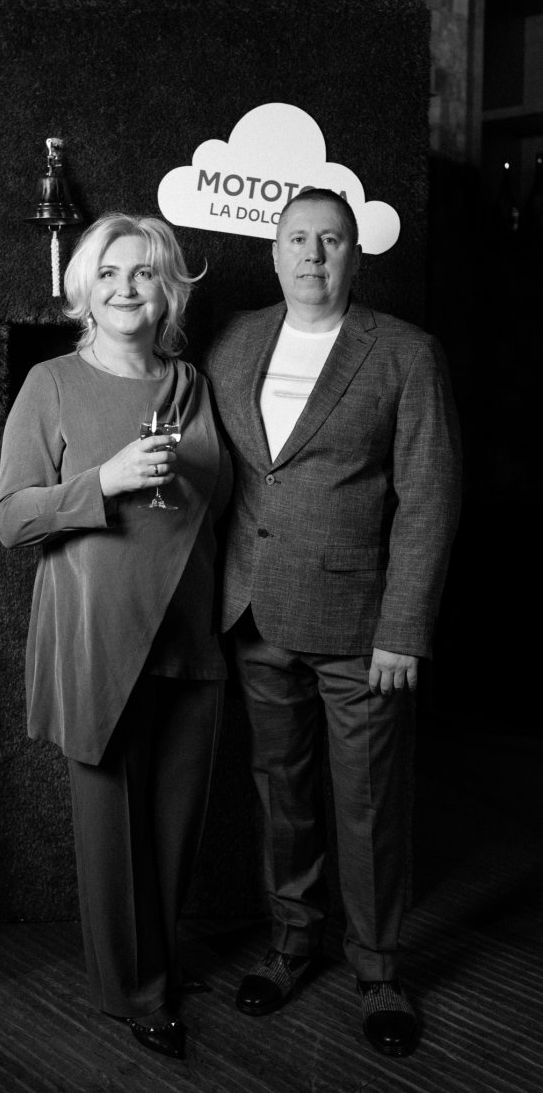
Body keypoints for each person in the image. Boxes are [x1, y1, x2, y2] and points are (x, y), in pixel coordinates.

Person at [204, 188, 462, 1057]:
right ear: (274, 252)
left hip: (361, 626)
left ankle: (378, 971)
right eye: (297, 239)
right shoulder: (234, 339)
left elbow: (429, 497)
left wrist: (403, 628)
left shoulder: (404, 353)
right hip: (255, 612)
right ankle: (290, 945)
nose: (312, 255)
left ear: (355, 254)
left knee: (368, 806)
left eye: (330, 240)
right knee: (280, 795)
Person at [0, 213, 232, 1061]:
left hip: (189, 632)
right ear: (84, 290)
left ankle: (157, 964)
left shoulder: (190, 384)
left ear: (168, 289)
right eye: (110, 273)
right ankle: (133, 992)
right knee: (111, 833)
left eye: (144, 273)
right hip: (98, 637)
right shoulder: (52, 383)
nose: (127, 287)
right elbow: (12, 518)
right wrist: (105, 480)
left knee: (175, 824)